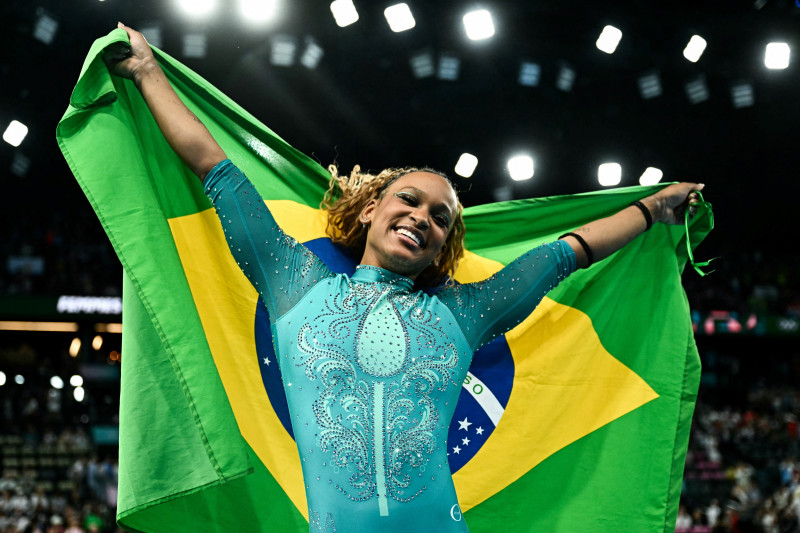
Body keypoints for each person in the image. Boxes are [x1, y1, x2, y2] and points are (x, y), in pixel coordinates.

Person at [104, 23, 705, 533]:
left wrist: (654, 210)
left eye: (439, 218)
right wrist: (150, 72)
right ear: (371, 209)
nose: (421, 217)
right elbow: (216, 168)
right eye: (409, 201)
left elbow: (568, 251)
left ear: (443, 247)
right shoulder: (295, 284)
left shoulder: (466, 315)